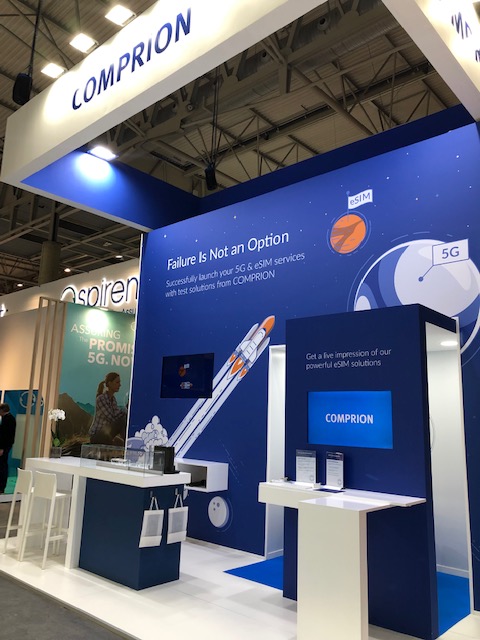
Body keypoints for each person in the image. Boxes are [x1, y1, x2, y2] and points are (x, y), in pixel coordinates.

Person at [89, 372, 127, 446]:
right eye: (117, 382)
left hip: (106, 433)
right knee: (122, 421)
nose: (119, 385)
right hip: (97, 435)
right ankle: (128, 444)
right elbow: (112, 417)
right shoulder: (101, 399)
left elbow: (118, 414)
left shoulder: (113, 399)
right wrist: (125, 411)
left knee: (121, 443)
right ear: (110, 383)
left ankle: (127, 443)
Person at [0, 403, 16, 494]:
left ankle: (1, 486)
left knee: (2, 466)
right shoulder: (9, 418)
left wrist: (2, 448)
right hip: (6, 446)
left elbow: (5, 435)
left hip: (4, 446)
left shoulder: (8, 419)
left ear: (2, 410)